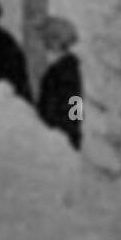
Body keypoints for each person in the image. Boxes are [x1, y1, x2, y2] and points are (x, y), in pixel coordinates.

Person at [36, 16, 81, 149]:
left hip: (60, 141)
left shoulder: (66, 70)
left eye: (47, 39)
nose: (44, 43)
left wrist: (69, 136)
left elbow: (75, 106)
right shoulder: (59, 68)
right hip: (55, 137)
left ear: (57, 40)